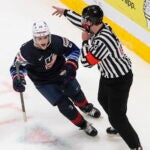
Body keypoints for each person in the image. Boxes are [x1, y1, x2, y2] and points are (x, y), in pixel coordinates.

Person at [52, 5, 143, 150]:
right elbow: (80, 22)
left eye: (85, 20)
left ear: (90, 22)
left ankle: (135, 146)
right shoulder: (98, 26)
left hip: (119, 80)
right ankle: (119, 125)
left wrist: (85, 42)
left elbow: (86, 62)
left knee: (117, 117)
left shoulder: (103, 41)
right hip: (108, 76)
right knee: (102, 99)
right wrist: (66, 12)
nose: (83, 22)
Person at [10, 21, 101, 137]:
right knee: (64, 106)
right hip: (43, 82)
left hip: (62, 72)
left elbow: (74, 50)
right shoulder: (26, 51)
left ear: (49, 35)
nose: (42, 41)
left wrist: (71, 64)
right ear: (34, 38)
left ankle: (86, 107)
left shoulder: (58, 41)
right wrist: (17, 78)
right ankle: (83, 124)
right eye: (39, 38)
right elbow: (16, 67)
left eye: (45, 37)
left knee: (76, 93)